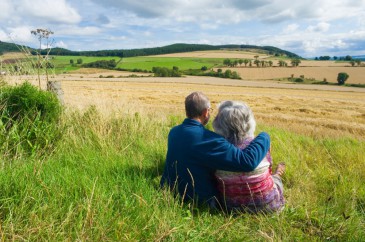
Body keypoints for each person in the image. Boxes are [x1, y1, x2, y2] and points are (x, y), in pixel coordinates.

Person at [160, 91, 271, 208]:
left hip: (169, 192)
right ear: (205, 112)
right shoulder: (211, 140)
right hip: (198, 201)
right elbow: (247, 162)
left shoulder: (174, 132)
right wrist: (264, 136)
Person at [213, 101, 285, 212]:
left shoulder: (214, 148)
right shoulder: (259, 145)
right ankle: (278, 174)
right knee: (275, 178)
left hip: (231, 209)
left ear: (219, 124)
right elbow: (268, 169)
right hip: (269, 207)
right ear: (248, 122)